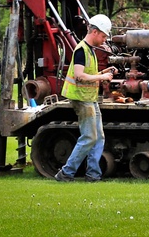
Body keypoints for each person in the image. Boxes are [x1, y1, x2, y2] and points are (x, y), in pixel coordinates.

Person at [55, 14, 115, 181]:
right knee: (89, 137)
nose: (104, 40)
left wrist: (103, 72)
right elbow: (80, 76)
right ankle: (66, 173)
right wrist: (102, 78)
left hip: (89, 98)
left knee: (98, 137)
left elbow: (88, 74)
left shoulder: (90, 50)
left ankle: (93, 175)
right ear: (95, 32)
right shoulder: (81, 50)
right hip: (81, 99)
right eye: (103, 36)